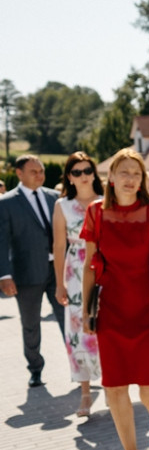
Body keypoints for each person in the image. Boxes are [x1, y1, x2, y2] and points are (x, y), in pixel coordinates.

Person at [81, 148, 149, 450]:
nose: (131, 179)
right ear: (111, 178)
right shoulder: (95, 213)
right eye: (124, 172)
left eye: (137, 172)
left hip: (148, 310)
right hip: (111, 311)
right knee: (114, 389)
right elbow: (90, 267)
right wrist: (86, 310)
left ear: (144, 178)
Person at [0, 155, 65, 387]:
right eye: (33, 171)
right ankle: (35, 368)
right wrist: (4, 276)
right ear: (19, 173)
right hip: (26, 274)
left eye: (41, 171)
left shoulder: (56, 198)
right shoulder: (6, 203)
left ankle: (80, 367)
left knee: (67, 318)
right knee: (30, 324)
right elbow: (2, 242)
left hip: (58, 270)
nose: (40, 175)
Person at [52, 152, 103, 415]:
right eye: (76, 172)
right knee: (77, 333)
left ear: (94, 173)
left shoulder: (107, 202)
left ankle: (115, 384)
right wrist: (59, 284)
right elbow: (58, 246)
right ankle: (85, 393)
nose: (82, 176)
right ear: (69, 178)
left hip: (106, 270)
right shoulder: (62, 206)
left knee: (109, 326)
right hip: (74, 273)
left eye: (87, 170)